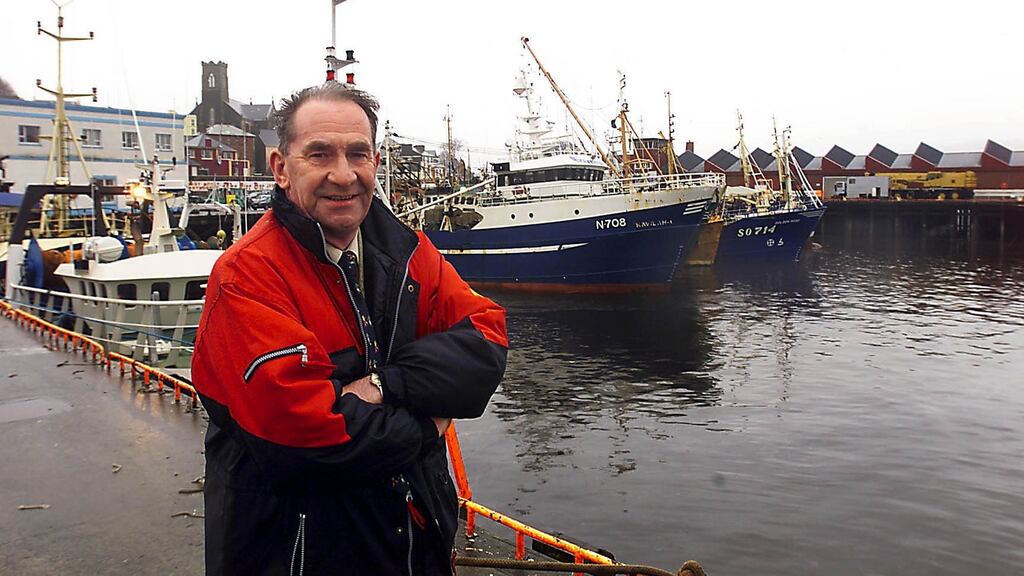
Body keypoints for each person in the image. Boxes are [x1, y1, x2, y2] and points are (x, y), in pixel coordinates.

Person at [191, 83, 508, 575]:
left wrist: (385, 385)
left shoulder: (407, 253)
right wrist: (430, 422)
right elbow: (307, 442)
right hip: (297, 554)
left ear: (376, 161)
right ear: (280, 167)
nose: (343, 174)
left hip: (413, 546)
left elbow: (487, 341)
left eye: (357, 153)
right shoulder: (247, 277)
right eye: (319, 154)